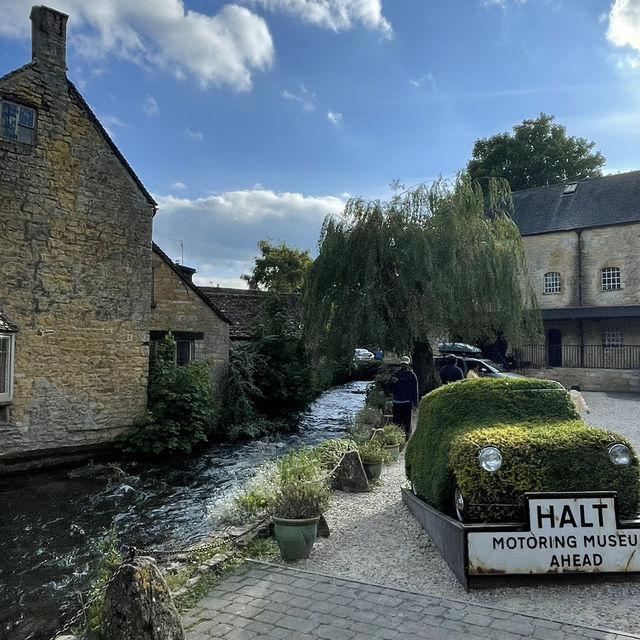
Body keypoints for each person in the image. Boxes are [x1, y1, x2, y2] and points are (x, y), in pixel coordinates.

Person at [386, 356, 419, 438]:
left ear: (408, 365)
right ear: (401, 364)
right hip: (397, 402)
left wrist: (415, 403)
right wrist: (392, 383)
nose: (404, 365)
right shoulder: (396, 375)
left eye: (405, 364)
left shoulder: (411, 375)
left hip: (407, 402)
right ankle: (398, 438)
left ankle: (407, 438)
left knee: (406, 422)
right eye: (403, 364)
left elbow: (415, 390)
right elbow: (389, 389)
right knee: (397, 422)